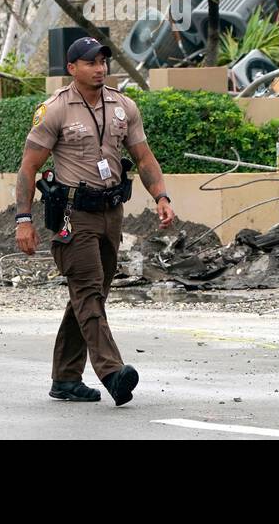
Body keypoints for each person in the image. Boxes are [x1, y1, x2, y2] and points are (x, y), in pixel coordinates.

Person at [15, 36, 174, 406]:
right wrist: (24, 220)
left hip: (111, 213)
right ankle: (112, 372)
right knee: (87, 291)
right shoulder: (54, 109)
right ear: (72, 68)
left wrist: (161, 197)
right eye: (91, 62)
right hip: (73, 215)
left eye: (104, 62)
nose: (100, 68)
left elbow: (144, 157)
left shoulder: (123, 106)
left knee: (90, 296)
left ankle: (66, 379)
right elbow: (28, 168)